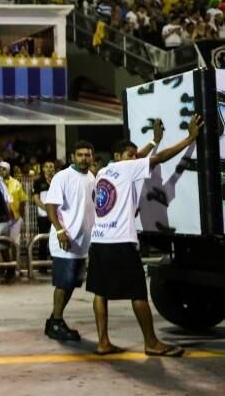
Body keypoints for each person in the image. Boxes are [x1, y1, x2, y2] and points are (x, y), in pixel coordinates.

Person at [87, 115, 203, 356]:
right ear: (119, 156)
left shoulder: (103, 172)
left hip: (99, 241)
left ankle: (103, 342)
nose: (136, 158)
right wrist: (189, 138)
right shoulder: (127, 168)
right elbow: (158, 158)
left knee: (100, 292)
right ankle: (151, 342)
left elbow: (139, 156)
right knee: (138, 292)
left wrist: (153, 139)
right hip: (120, 242)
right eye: (130, 155)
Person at [44, 142, 95, 341]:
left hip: (82, 244)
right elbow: (50, 206)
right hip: (65, 242)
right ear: (73, 156)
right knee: (63, 284)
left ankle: (54, 320)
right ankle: (56, 322)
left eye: (87, 155)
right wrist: (60, 231)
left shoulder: (91, 177)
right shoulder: (63, 176)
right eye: (80, 155)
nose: (84, 158)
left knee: (72, 284)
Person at [0, 161, 26, 283]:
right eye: (0, 169)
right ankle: (4, 266)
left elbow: (23, 200)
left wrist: (21, 217)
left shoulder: (16, 183)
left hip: (15, 218)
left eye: (3, 169)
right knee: (1, 244)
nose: (1, 171)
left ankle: (15, 266)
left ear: (8, 170)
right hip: (1, 219)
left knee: (14, 244)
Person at [31, 160, 56, 270]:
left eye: (51, 166)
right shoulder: (38, 182)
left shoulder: (57, 180)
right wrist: (46, 208)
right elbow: (36, 198)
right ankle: (42, 267)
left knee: (55, 240)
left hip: (56, 216)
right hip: (43, 215)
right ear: (43, 169)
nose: (49, 168)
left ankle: (56, 265)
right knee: (43, 241)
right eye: (47, 166)